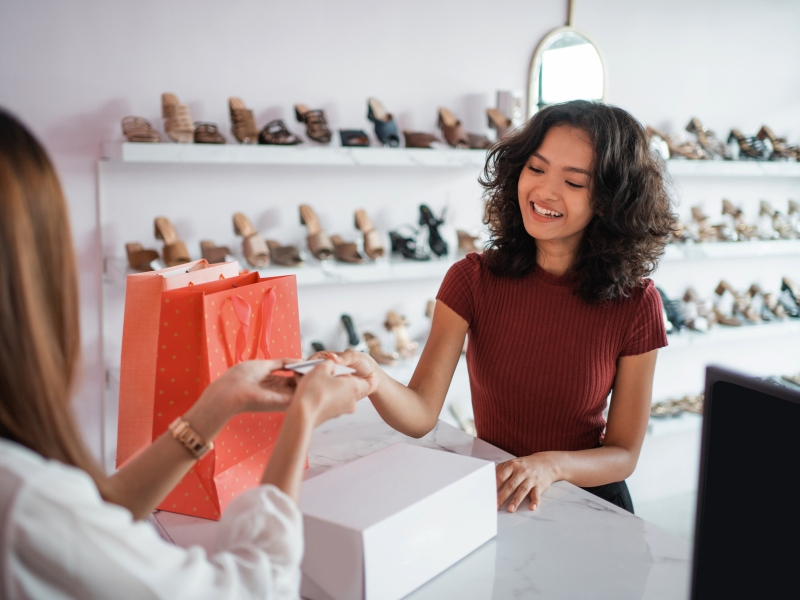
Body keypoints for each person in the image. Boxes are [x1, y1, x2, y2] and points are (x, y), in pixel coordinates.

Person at [0, 109, 373, 599]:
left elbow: (99, 512)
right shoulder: (25, 501)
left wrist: (220, 401)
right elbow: (252, 588)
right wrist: (301, 418)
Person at [328, 101, 674, 514]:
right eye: (537, 168)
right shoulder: (472, 279)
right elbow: (421, 413)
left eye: (574, 182)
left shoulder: (637, 305)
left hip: (591, 504)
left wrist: (551, 466)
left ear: (609, 200)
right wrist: (373, 377)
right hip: (502, 496)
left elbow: (623, 454)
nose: (545, 191)